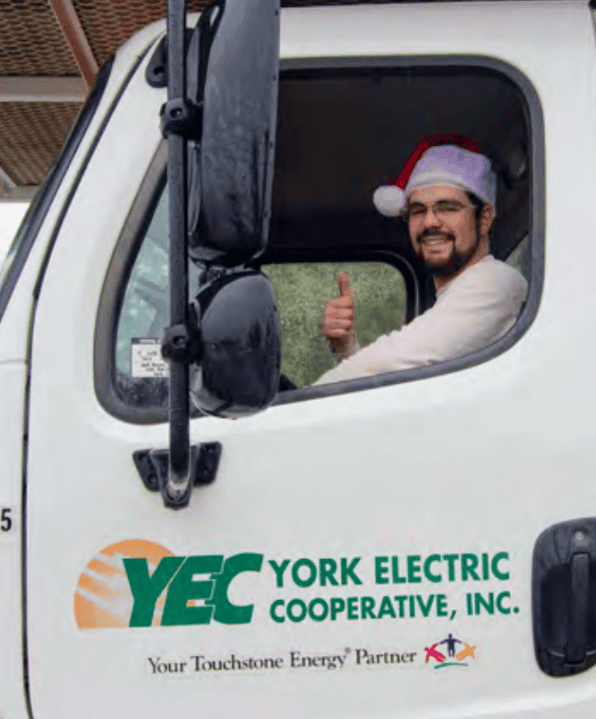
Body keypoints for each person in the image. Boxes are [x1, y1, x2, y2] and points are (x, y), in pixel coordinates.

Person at [316, 134, 527, 385]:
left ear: (484, 219)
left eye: (447, 207)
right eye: (417, 211)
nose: (429, 222)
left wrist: (300, 408)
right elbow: (400, 378)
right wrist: (345, 348)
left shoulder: (496, 282)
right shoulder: (455, 302)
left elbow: (393, 363)